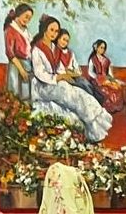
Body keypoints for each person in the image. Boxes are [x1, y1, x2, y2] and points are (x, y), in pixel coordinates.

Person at [30, 14, 111, 142]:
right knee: (70, 93)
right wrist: (59, 77)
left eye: (56, 31)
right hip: (43, 85)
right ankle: (91, 125)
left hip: (57, 81)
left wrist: (65, 75)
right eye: (52, 30)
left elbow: (60, 68)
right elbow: (40, 73)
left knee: (80, 93)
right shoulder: (37, 49)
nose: (54, 34)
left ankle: (93, 125)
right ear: (45, 29)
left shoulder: (55, 48)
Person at [3, 3, 33, 100]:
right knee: (15, 94)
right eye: (26, 17)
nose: (27, 20)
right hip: (16, 66)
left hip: (27, 64)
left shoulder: (25, 31)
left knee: (26, 95)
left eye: (29, 19)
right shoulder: (10, 30)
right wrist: (21, 69)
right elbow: (10, 53)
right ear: (19, 13)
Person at [87, 39, 125, 113]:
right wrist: (98, 78)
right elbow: (90, 72)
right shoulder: (93, 59)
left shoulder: (107, 60)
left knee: (117, 88)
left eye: (104, 48)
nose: (102, 50)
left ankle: (115, 108)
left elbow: (110, 74)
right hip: (96, 80)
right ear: (96, 48)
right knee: (106, 91)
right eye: (101, 47)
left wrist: (112, 80)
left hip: (106, 78)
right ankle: (108, 109)